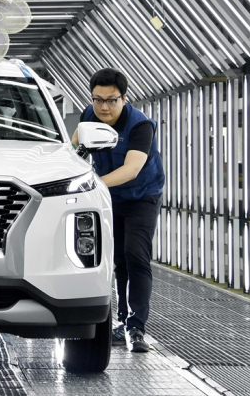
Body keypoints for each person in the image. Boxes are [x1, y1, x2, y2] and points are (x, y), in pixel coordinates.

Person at [72, 68, 165, 353]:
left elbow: (132, 169)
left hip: (141, 197)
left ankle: (137, 328)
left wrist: (90, 185)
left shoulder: (140, 126)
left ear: (124, 98)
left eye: (111, 100)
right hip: (109, 197)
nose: (104, 107)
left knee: (136, 254)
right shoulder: (89, 115)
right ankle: (121, 322)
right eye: (98, 99)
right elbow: (71, 149)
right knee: (115, 260)